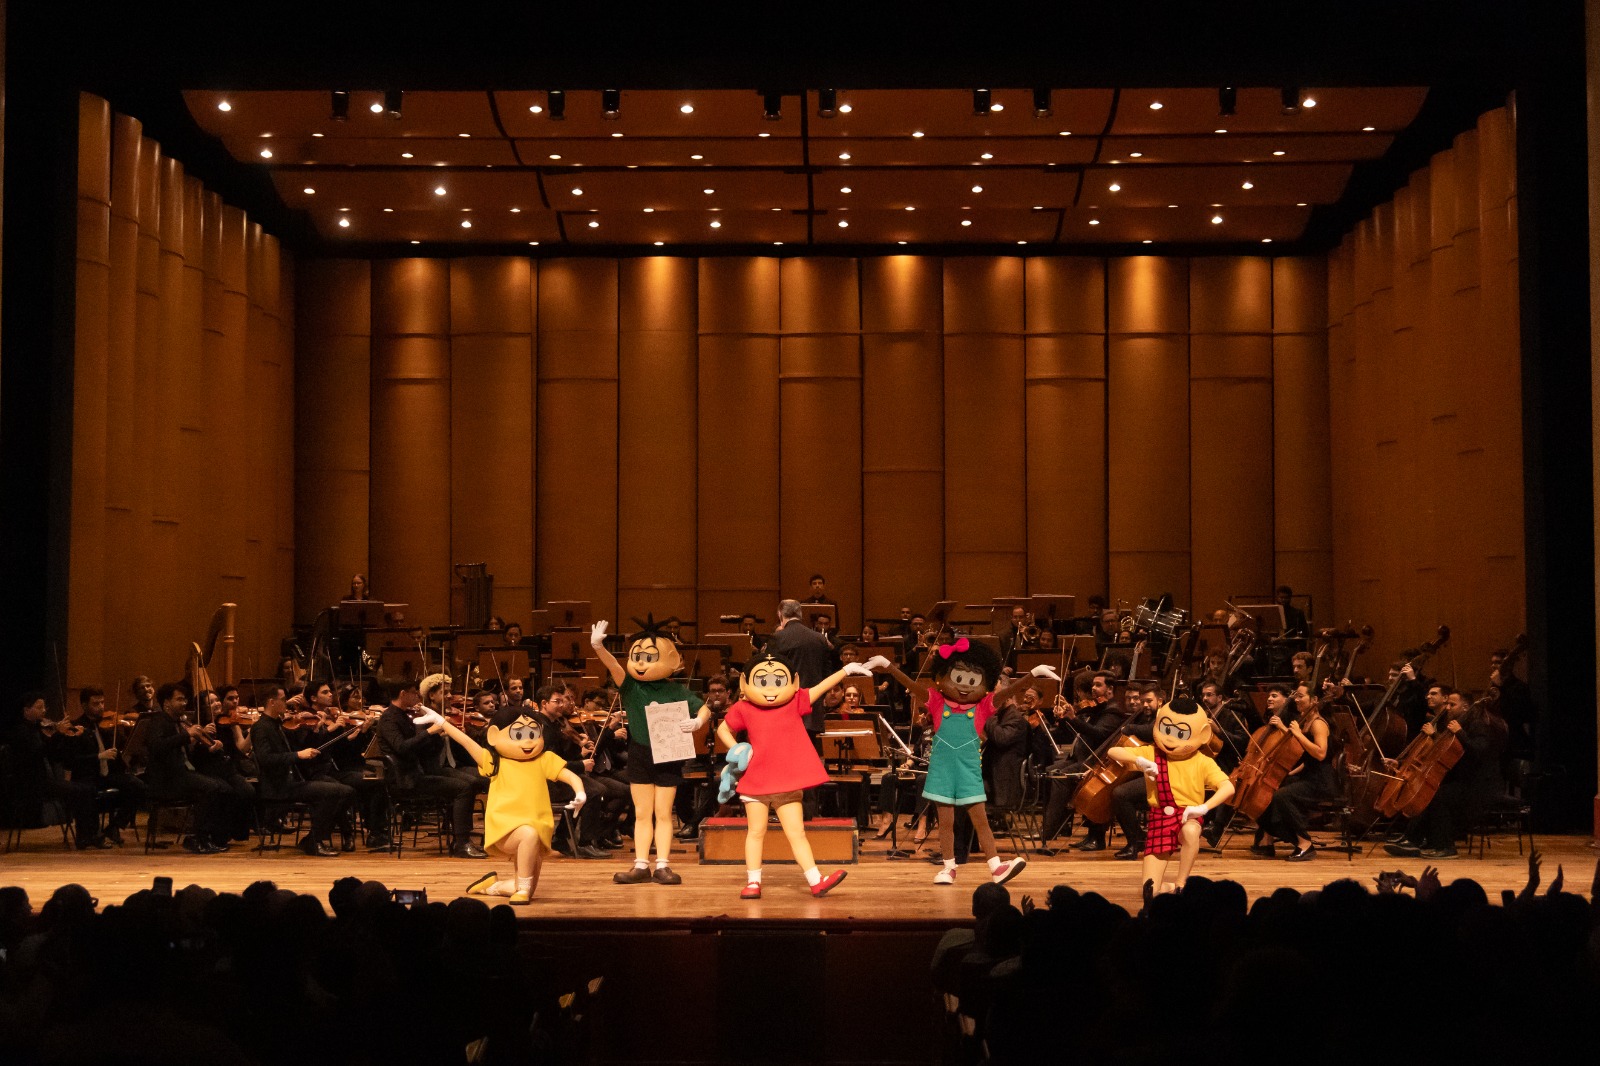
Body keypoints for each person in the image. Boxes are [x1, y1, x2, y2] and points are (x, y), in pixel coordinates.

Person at [871, 640, 1047, 885]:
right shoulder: (936, 702)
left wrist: (1033, 674)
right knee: (946, 821)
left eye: (973, 681)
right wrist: (889, 666)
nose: (964, 686)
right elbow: (911, 685)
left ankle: (996, 867)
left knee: (980, 819)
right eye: (958, 678)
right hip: (942, 771)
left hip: (968, 771)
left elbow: (1007, 692)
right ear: (942, 677)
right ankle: (949, 867)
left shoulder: (984, 706)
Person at [717, 649, 869, 899]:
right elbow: (723, 729)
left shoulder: (795, 701)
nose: (770, 688)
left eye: (778, 680)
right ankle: (753, 882)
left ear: (792, 682)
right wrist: (736, 749)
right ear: (746, 683)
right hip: (756, 780)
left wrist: (845, 670)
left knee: (796, 832)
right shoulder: (743, 707)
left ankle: (815, 880)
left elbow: (820, 688)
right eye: (761, 681)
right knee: (756, 832)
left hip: (786, 783)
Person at [415, 703, 585, 904]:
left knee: (524, 886)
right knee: (527, 841)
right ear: (494, 736)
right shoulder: (494, 762)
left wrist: (580, 792)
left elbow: (570, 775)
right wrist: (443, 722)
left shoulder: (544, 759)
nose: (528, 742)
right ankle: (521, 888)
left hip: (539, 831)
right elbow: (466, 741)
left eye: (533, 734)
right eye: (519, 735)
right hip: (506, 828)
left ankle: (490, 886)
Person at [590, 615, 709, 885]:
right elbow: (614, 666)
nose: (641, 662)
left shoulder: (677, 689)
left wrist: (698, 720)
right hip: (641, 753)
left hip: (668, 754)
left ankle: (663, 865)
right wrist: (599, 647)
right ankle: (641, 865)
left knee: (665, 813)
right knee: (643, 812)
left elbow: (703, 707)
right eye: (638, 656)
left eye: (649, 657)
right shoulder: (630, 687)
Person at [1107, 696, 1234, 893]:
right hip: (1159, 818)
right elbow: (1113, 752)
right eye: (1166, 729)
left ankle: (1182, 883)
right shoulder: (1152, 753)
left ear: (1203, 735)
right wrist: (1140, 761)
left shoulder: (1203, 761)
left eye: (1180, 733)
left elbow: (1228, 788)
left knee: (1191, 832)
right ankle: (1171, 888)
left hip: (1186, 816)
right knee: (1150, 891)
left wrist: (1203, 808)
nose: (1169, 739)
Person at [1384, 691, 1507, 859]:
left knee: (1439, 796)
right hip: (1464, 781)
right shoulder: (1456, 724)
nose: (1447, 708)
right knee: (1433, 792)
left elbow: (1480, 751)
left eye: (1452, 705)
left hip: (1480, 785)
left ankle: (1446, 847)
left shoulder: (1478, 724)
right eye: (1447, 704)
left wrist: (1460, 733)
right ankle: (1420, 840)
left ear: (1465, 707)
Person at [374, 676, 486, 858]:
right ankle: (461, 843)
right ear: (403, 694)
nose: (417, 696)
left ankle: (461, 840)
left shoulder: (406, 715)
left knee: (468, 784)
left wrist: (438, 735)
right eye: (413, 692)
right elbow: (402, 747)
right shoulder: (388, 719)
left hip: (419, 773)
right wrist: (429, 731)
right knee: (463, 788)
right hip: (406, 779)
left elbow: (423, 749)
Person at [249, 684, 357, 857]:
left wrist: (313, 730)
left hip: (292, 781)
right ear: (272, 702)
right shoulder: (261, 727)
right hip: (278, 787)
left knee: (345, 791)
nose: (288, 703)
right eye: (283, 700)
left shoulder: (278, 724)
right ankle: (315, 841)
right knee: (337, 792)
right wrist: (298, 755)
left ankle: (313, 839)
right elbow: (265, 759)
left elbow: (296, 746)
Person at [142, 683, 245, 854]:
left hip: (182, 773)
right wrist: (187, 734)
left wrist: (208, 744)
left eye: (185, 699)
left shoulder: (179, 722)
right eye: (179, 699)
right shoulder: (158, 721)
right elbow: (157, 746)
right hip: (167, 778)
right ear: (167, 702)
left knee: (225, 788)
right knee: (212, 787)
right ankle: (196, 837)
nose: (184, 703)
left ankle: (213, 836)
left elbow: (185, 748)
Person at [6, 694, 110, 849]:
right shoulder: (20, 731)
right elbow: (38, 753)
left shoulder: (37, 729)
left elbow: (55, 756)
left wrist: (70, 737)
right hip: (30, 784)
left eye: (44, 707)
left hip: (43, 781)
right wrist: (58, 734)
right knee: (81, 790)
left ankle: (88, 835)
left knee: (87, 788)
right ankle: (86, 837)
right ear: (26, 710)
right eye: (39, 707)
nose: (44, 710)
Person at [46, 687, 145, 843]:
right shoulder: (75, 727)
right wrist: (99, 756)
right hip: (88, 776)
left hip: (107, 775)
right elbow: (72, 760)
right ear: (84, 705)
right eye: (96, 703)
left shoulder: (108, 725)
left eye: (102, 702)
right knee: (88, 790)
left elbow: (123, 749)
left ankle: (114, 827)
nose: (101, 707)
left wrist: (128, 741)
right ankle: (91, 835)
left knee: (138, 786)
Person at [765, 599, 838, 735]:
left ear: (780, 614)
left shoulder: (778, 638)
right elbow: (827, 674)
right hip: (813, 707)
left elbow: (769, 674)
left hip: (786, 707)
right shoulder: (819, 638)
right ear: (800, 614)